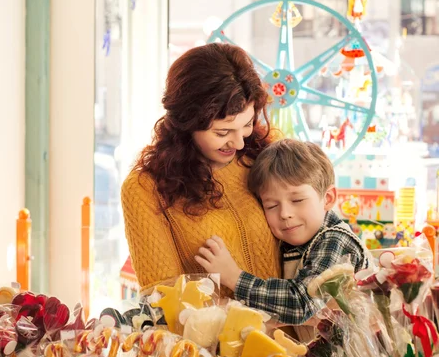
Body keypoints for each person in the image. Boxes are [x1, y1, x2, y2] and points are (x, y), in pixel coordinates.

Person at [121, 43, 281, 295]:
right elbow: (163, 300)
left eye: (248, 124)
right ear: (187, 121)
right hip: (216, 335)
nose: (239, 143)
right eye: (222, 132)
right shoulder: (146, 189)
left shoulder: (267, 153)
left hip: (299, 333)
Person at [196, 139, 369, 330]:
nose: (285, 213)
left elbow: (301, 304)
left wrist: (234, 278)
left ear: (327, 199)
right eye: (271, 206)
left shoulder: (336, 240)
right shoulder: (292, 242)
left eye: (297, 200)